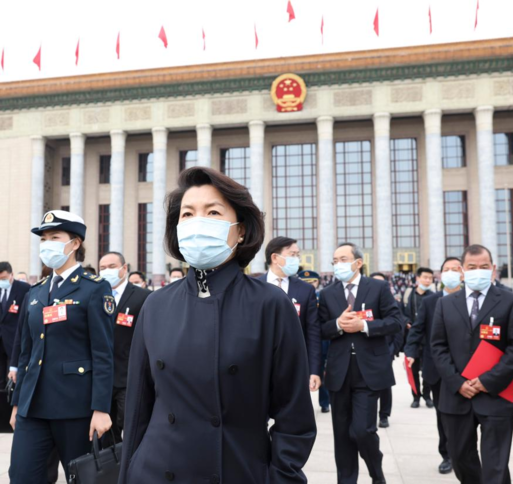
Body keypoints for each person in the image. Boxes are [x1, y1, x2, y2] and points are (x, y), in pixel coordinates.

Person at [119, 167, 316, 483]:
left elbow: (294, 417)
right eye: (187, 214)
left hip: (236, 468)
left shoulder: (270, 304)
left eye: (212, 212)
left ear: (240, 231)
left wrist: (280, 477)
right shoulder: (156, 305)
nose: (198, 222)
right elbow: (138, 408)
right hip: (156, 469)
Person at [10, 210, 114, 483]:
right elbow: (26, 353)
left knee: (82, 477)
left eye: (55, 237)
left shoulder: (94, 289)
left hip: (75, 407)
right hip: (32, 408)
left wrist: (101, 408)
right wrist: (17, 403)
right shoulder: (37, 291)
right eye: (43, 239)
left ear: (75, 243)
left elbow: (103, 353)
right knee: (22, 475)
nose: (47, 245)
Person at [430, 244, 513, 484]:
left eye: (484, 267)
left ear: (493, 269)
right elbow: (438, 347)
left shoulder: (512, 301)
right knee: (460, 458)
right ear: (463, 271)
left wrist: (486, 381)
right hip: (456, 395)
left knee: (495, 465)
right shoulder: (445, 304)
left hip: (496, 394)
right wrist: (458, 382)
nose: (478, 271)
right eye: (472, 267)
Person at [319, 242, 402, 484]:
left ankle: (377, 474)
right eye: (335, 261)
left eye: (343, 259)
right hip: (339, 372)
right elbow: (322, 329)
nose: (338, 265)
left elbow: (396, 321)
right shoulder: (327, 294)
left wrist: (364, 326)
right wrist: (337, 324)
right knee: (342, 435)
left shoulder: (377, 288)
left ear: (358, 262)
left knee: (363, 431)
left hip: (369, 371)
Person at [405, 257, 463, 475]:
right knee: (444, 415)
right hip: (438, 370)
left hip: (470, 372)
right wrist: (410, 352)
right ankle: (447, 454)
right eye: (446, 269)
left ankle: (465, 454)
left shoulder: (477, 300)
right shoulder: (431, 301)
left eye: (455, 269)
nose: (450, 273)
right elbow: (418, 329)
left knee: (470, 419)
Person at [98, 252, 151, 444]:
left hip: (129, 377)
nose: (106, 271)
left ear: (124, 268)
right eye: (102, 268)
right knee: (104, 437)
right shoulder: (96, 296)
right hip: (101, 380)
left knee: (132, 431)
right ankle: (109, 473)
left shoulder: (143, 297)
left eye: (112, 267)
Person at [258, 237, 321, 393]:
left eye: (297, 255)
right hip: (260, 365)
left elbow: (312, 332)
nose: (296, 259)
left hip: (294, 366)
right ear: (275, 257)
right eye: (292, 254)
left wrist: (314, 370)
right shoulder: (254, 288)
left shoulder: (305, 290)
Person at [370, 272, 407, 429]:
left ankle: (384, 414)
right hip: (367, 350)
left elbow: (398, 329)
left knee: (385, 385)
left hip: (386, 350)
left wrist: (392, 350)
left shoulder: (392, 303)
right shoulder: (363, 302)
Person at [299, 270, 330, 412]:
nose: (310, 285)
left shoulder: (324, 297)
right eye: (306, 283)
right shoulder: (299, 296)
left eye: (313, 282)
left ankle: (324, 402)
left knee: (322, 371)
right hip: (306, 341)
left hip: (323, 341)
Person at [404, 267, 435, 408]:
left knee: (428, 368)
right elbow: (401, 312)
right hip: (413, 338)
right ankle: (415, 396)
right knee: (413, 369)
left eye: (430, 278)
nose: (427, 280)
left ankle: (427, 395)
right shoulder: (409, 294)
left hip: (428, 338)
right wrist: (407, 322)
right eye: (425, 277)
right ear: (418, 278)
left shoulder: (433, 296)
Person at [0, 261, 30, 387]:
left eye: (4, 278)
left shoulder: (24, 289)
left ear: (11, 275)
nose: (2, 281)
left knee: (12, 374)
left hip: (14, 337)